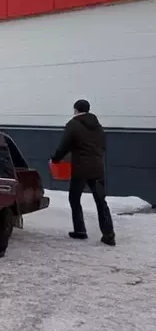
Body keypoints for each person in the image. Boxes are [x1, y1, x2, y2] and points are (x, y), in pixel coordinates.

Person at [51, 99, 115, 246]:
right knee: (101, 201)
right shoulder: (98, 127)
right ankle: (109, 235)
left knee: (74, 198)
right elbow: (103, 146)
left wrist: (55, 158)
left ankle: (80, 230)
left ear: (75, 110)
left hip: (80, 169)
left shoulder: (73, 125)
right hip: (97, 168)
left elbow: (64, 146)